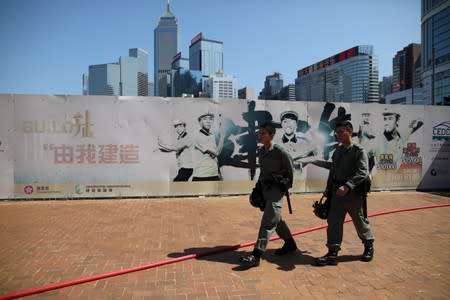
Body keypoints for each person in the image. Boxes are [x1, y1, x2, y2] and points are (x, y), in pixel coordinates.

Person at [315, 120, 375, 266]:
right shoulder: (338, 151)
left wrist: (347, 186)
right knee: (334, 222)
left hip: (353, 194)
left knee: (359, 220)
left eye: (341, 132)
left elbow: (363, 172)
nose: (338, 135)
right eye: (337, 133)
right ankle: (332, 252)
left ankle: (368, 246)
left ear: (350, 132)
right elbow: (333, 172)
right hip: (337, 193)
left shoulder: (359, 151)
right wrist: (328, 190)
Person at [239, 121, 297, 269]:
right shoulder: (261, 151)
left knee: (269, 221)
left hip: (276, 190)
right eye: (259, 133)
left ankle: (256, 254)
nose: (260, 135)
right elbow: (263, 172)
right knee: (276, 218)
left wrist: (284, 187)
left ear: (272, 135)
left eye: (263, 133)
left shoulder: (280, 151)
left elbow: (291, 173)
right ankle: (290, 244)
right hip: (265, 189)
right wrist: (258, 188)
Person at [192, 112, 225, 181]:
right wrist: (222, 136)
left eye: (210, 119)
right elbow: (216, 153)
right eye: (205, 119)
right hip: (201, 176)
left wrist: (219, 174)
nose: (208, 121)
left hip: (213, 175)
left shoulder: (211, 136)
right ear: (200, 122)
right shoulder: (198, 136)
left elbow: (214, 157)